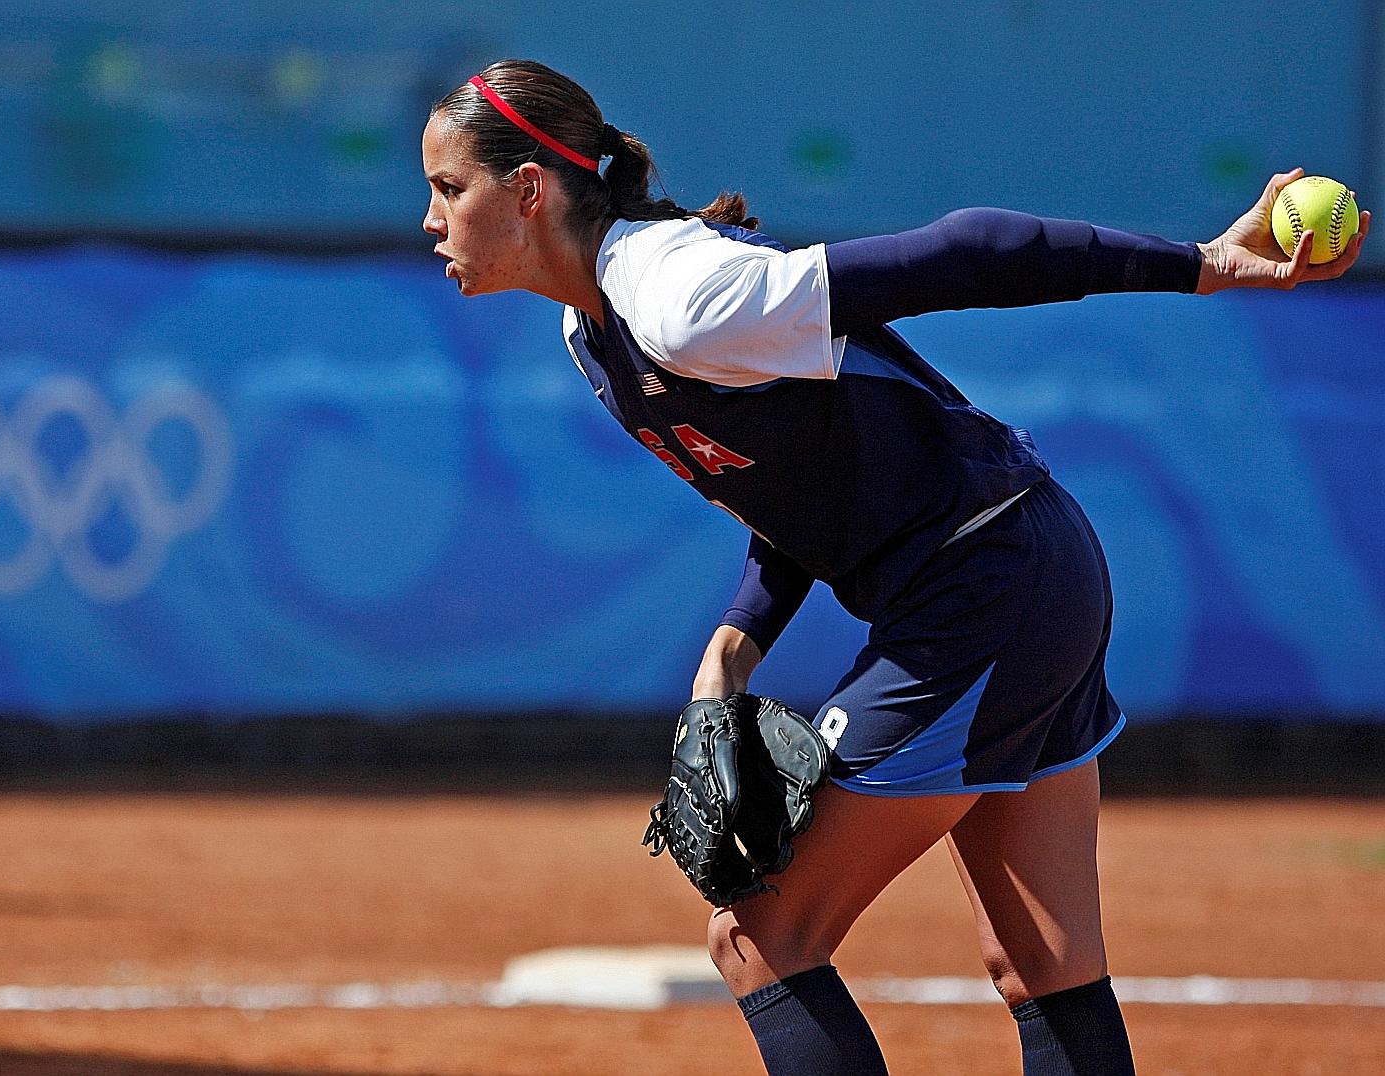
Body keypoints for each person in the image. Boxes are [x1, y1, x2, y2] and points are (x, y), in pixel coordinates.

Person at [421, 59, 1368, 1076]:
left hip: (984, 586)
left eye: (448, 186)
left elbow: (967, 252)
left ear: (528, 189)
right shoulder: (594, 331)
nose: (431, 217)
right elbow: (793, 486)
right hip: (1024, 564)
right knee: (1039, 962)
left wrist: (1204, 263)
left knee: (760, 938)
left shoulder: (676, 295)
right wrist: (732, 647)